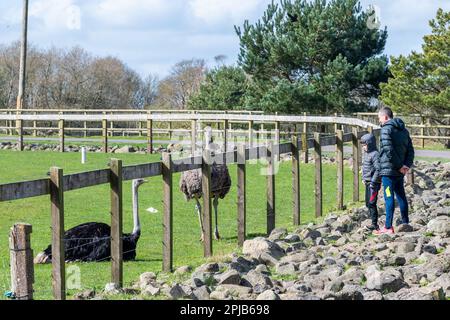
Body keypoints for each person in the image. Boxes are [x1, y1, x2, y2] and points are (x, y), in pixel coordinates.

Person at [374, 107, 415, 235]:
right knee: (401, 196)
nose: (379, 121)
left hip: (389, 171)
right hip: (400, 171)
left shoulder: (386, 129)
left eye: (379, 118)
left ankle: (388, 226)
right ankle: (405, 223)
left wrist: (398, 166)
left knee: (388, 196)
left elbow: (388, 149)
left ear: (385, 117)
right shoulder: (404, 130)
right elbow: (411, 150)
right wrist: (406, 166)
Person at [360, 133, 381, 231]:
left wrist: (373, 182)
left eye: (365, 145)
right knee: (368, 203)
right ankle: (373, 222)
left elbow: (378, 169)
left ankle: (374, 224)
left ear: (370, 144)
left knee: (372, 203)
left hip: (374, 184)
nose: (363, 147)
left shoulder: (375, 154)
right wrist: (363, 178)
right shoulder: (367, 154)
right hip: (368, 182)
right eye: (363, 145)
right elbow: (365, 167)